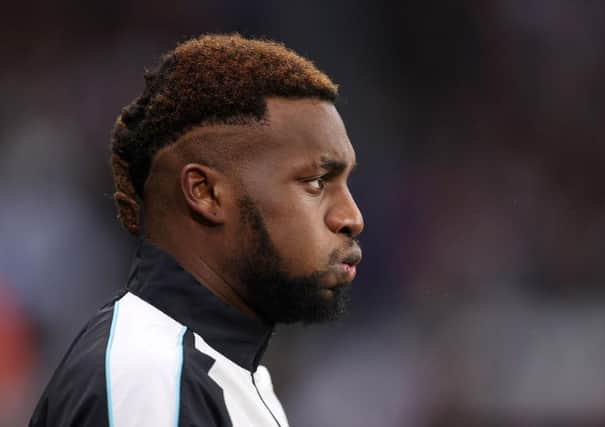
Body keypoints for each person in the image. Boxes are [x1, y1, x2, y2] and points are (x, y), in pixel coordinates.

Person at [29, 34, 364, 426]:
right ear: (205, 193)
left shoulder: (225, 373)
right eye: (316, 182)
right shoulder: (151, 377)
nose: (352, 217)